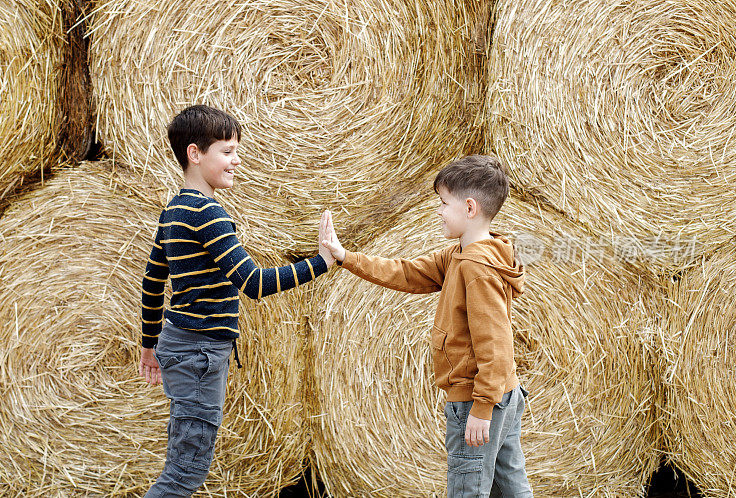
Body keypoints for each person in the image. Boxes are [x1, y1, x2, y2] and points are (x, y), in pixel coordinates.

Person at [138, 104, 335, 497]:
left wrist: (148, 344)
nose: (236, 161)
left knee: (184, 464)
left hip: (181, 345)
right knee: (184, 473)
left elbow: (152, 280)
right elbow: (254, 283)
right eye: (227, 151)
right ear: (195, 154)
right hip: (199, 355)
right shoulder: (208, 213)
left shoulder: (174, 209)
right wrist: (322, 263)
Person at [322, 155, 532, 497]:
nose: (438, 211)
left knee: (468, 488)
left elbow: (495, 342)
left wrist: (480, 407)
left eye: (443, 203)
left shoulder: (475, 267)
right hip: (503, 394)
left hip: (478, 401)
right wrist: (346, 257)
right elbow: (406, 272)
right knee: (510, 488)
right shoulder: (463, 255)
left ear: (469, 207)